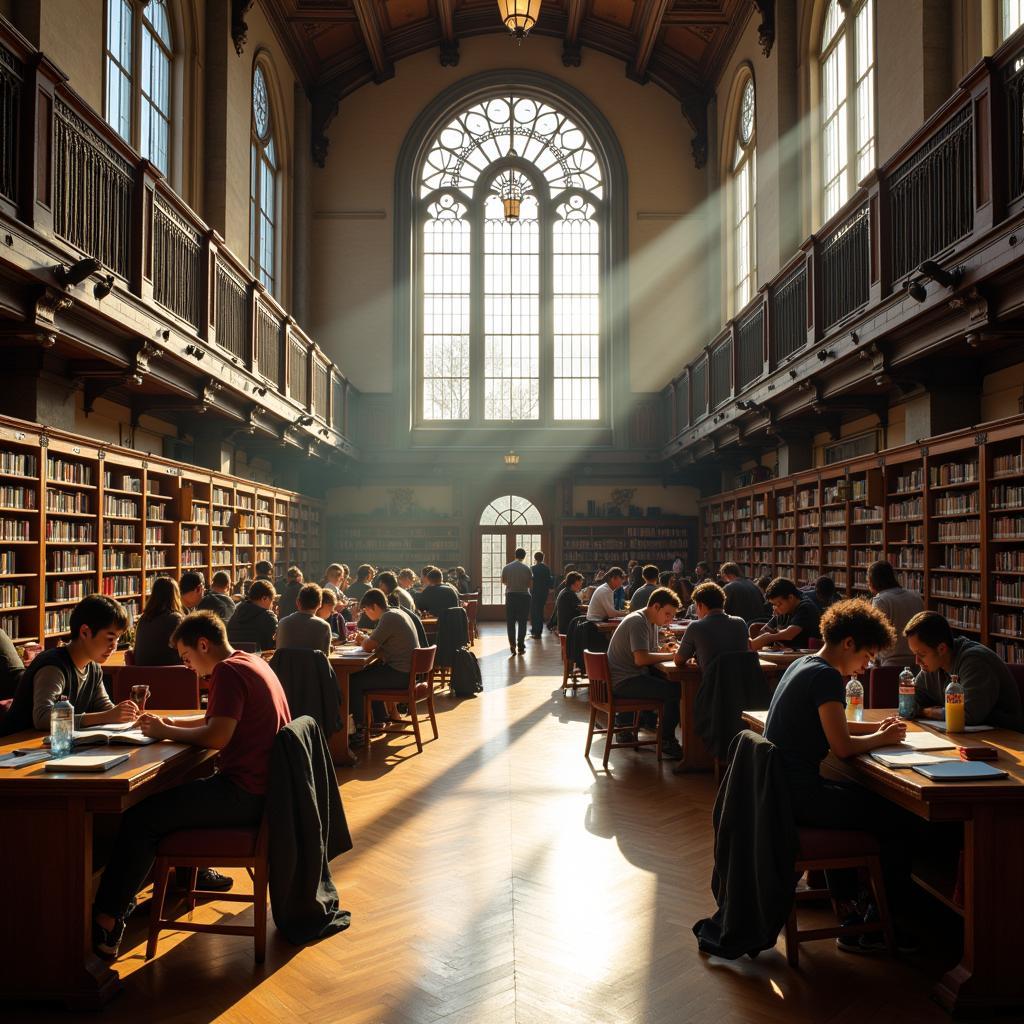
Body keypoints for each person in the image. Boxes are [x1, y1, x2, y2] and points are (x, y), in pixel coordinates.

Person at [91, 611, 290, 961]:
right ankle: (140, 892)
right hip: (264, 790)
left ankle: (107, 918)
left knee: (141, 817)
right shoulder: (250, 661)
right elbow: (221, 719)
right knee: (161, 803)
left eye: (186, 658)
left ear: (203, 644)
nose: (187, 667)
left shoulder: (227, 672)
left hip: (243, 794)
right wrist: (173, 722)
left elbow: (216, 736)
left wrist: (163, 730)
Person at [764, 600, 918, 952]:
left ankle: (851, 905)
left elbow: (830, 721)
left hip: (784, 792)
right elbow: (844, 747)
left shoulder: (805, 664)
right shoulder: (826, 676)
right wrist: (884, 738)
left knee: (862, 800)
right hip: (803, 797)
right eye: (867, 656)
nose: (865, 667)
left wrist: (875, 725)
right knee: (899, 819)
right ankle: (875, 926)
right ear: (848, 643)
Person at [3, 594, 136, 733]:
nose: (114, 646)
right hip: (18, 745)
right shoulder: (53, 666)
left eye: (117, 639)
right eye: (110, 638)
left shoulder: (93, 668)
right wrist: (105, 716)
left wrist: (127, 715)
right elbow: (42, 718)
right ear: (85, 632)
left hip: (57, 744)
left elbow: (104, 708)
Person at [905, 611, 1023, 729]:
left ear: (941, 649)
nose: (917, 661)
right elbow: (908, 705)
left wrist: (927, 712)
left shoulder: (975, 661)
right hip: (969, 736)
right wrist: (917, 708)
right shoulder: (933, 665)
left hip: (1004, 737)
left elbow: (968, 715)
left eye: (921, 654)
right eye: (915, 654)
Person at [604, 587, 684, 759]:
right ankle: (666, 740)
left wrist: (664, 650)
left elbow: (650, 652)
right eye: (668, 614)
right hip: (624, 681)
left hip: (629, 676)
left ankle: (628, 726)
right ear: (656, 606)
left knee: (672, 685)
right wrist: (671, 655)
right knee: (675, 691)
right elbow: (640, 659)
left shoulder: (650, 621)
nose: (670, 620)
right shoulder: (638, 621)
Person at [348, 588, 420, 745]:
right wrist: (367, 640)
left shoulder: (388, 618)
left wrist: (364, 639)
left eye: (366, 610)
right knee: (370, 672)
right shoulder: (397, 613)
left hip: (400, 675)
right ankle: (379, 720)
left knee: (354, 681)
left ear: (373, 606)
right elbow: (380, 646)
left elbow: (368, 646)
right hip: (407, 672)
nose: (366, 614)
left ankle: (359, 730)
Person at [674, 581, 750, 672]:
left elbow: (678, 661)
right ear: (723, 603)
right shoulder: (740, 623)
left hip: (712, 684)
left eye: (695, 607)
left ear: (700, 605)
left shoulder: (696, 626)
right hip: (741, 683)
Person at [868, 560, 924, 667]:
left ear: (872, 581)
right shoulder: (916, 597)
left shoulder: (881, 600)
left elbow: (876, 637)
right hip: (917, 663)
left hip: (890, 665)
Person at [750, 577, 822, 651]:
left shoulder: (805, 607)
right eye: (773, 604)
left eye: (778, 604)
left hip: (805, 655)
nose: (776, 607)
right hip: (785, 653)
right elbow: (764, 631)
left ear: (790, 597)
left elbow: (789, 634)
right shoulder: (783, 608)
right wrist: (769, 633)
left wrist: (769, 637)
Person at [132, 576, 184, 666]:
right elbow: (186, 650)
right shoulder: (175, 619)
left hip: (142, 674)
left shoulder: (143, 619)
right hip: (170, 674)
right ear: (175, 595)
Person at [276, 583, 332, 655]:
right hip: (312, 666)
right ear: (320, 604)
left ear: (297, 602)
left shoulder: (283, 623)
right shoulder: (324, 626)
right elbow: (325, 658)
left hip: (285, 666)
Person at [227, 579, 278, 651]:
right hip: (257, 659)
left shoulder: (235, 614)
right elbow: (273, 646)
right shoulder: (268, 617)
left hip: (235, 658)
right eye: (272, 600)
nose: (272, 605)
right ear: (264, 598)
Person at [501, 547, 533, 655]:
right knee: (522, 622)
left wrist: (512, 585)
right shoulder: (527, 568)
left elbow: (504, 581)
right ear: (524, 556)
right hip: (524, 596)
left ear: (515, 555)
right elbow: (530, 584)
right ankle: (521, 645)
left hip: (511, 596)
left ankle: (512, 644)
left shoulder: (507, 567)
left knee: (511, 622)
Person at [529, 552, 554, 640]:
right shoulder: (546, 568)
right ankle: (538, 631)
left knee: (534, 611)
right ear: (543, 558)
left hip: (535, 592)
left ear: (535, 558)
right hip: (543, 592)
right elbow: (549, 581)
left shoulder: (532, 568)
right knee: (540, 611)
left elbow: (530, 582)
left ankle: (535, 631)